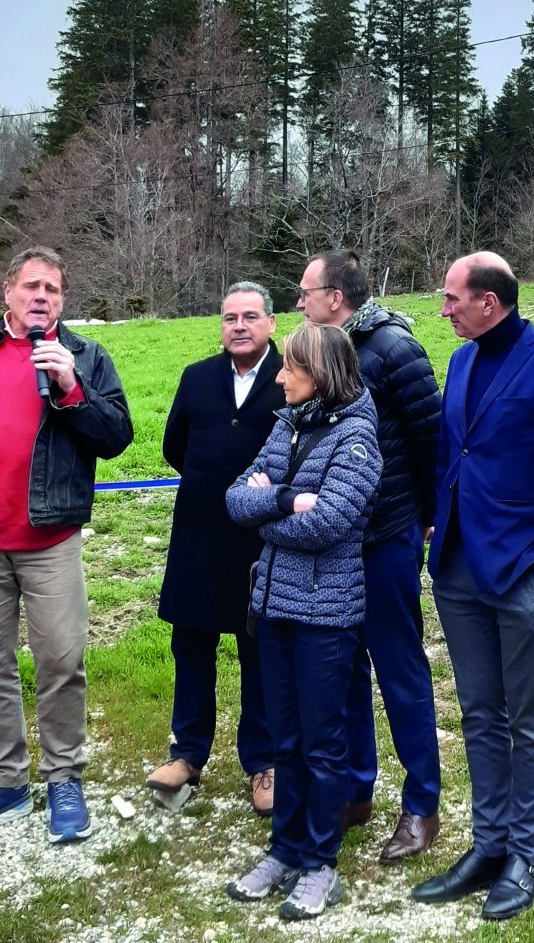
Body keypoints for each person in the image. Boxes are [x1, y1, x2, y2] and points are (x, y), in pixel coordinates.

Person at [412, 251, 534, 922]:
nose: (444, 307)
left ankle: (526, 853)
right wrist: (437, 527)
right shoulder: (459, 363)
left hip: (522, 573)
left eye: (453, 297)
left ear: (489, 301)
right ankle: (488, 846)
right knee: (481, 712)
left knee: (530, 719)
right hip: (458, 566)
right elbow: (447, 453)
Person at [225, 323, 383, 922]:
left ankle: (320, 862)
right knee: (283, 739)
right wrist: (287, 500)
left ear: (320, 375)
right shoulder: (287, 423)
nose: (280, 376)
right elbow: (238, 499)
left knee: (322, 744)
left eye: (290, 368)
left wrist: (269, 507)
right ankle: (284, 850)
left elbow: (331, 523)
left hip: (325, 614)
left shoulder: (358, 439)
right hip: (274, 606)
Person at [296, 249, 442, 862]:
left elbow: (433, 440)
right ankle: (357, 790)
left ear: (336, 297)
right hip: (335, 540)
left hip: (387, 534)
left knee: (398, 666)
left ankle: (422, 805)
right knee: (344, 666)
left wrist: (430, 523)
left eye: (306, 291)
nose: (298, 301)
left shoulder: (392, 349)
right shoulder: (316, 351)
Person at [0, 245, 133, 841]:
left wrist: (70, 387)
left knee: (60, 661)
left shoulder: (86, 355)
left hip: (50, 536)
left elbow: (116, 437)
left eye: (52, 289)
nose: (41, 298)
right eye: (31, 286)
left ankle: (63, 779)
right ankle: (8, 779)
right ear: (8, 292)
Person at [148, 283, 281, 816]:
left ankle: (264, 762)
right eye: (230, 317)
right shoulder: (196, 377)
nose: (240, 326)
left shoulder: (291, 378)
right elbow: (174, 445)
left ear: (272, 323)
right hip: (200, 535)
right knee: (193, 645)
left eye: (251, 316)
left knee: (259, 651)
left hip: (262, 540)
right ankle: (187, 754)